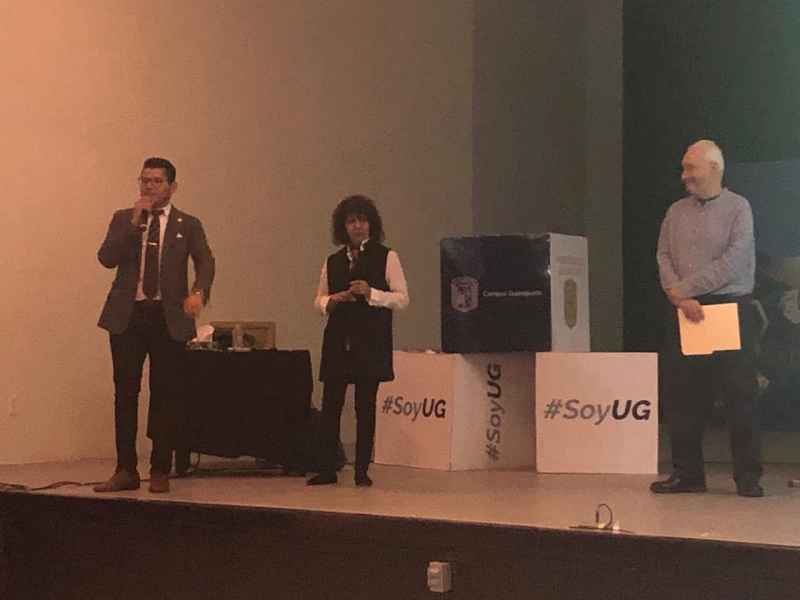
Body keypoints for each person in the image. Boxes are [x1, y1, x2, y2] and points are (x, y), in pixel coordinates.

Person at [95, 157, 215, 493]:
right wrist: (134, 223)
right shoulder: (124, 218)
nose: (149, 186)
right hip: (128, 316)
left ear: (172, 187)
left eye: (156, 181)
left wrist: (198, 292)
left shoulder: (187, 224)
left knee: (165, 393)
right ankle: (125, 469)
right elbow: (106, 258)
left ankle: (160, 468)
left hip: (168, 317)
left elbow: (205, 261)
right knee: (125, 393)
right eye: (144, 180)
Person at [651, 140, 763, 497]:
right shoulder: (675, 212)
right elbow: (663, 255)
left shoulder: (739, 207)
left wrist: (683, 290)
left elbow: (734, 260)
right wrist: (679, 297)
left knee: (739, 395)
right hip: (685, 311)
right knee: (683, 396)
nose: (684, 176)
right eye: (683, 168)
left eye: (691, 168)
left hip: (728, 308)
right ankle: (688, 474)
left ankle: (747, 476)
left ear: (715, 168)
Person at [308, 195, 409, 486]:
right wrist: (333, 300)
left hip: (370, 340)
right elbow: (318, 300)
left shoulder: (387, 256)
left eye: (362, 220)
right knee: (331, 405)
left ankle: (362, 470)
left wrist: (372, 293)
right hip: (338, 339)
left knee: (365, 406)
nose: (357, 226)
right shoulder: (333, 261)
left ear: (371, 224)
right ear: (343, 227)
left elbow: (402, 298)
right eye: (351, 221)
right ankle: (327, 468)